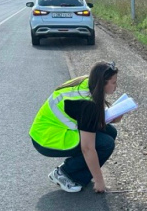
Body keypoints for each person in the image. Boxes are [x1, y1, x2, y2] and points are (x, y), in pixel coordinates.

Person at [30, 61, 121, 193]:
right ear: (102, 83)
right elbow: (87, 148)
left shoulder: (89, 82)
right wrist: (99, 181)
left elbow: (100, 120)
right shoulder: (87, 104)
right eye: (113, 82)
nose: (116, 86)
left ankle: (78, 171)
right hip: (45, 138)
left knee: (110, 132)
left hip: (55, 129)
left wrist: (119, 113)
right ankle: (65, 173)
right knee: (106, 144)